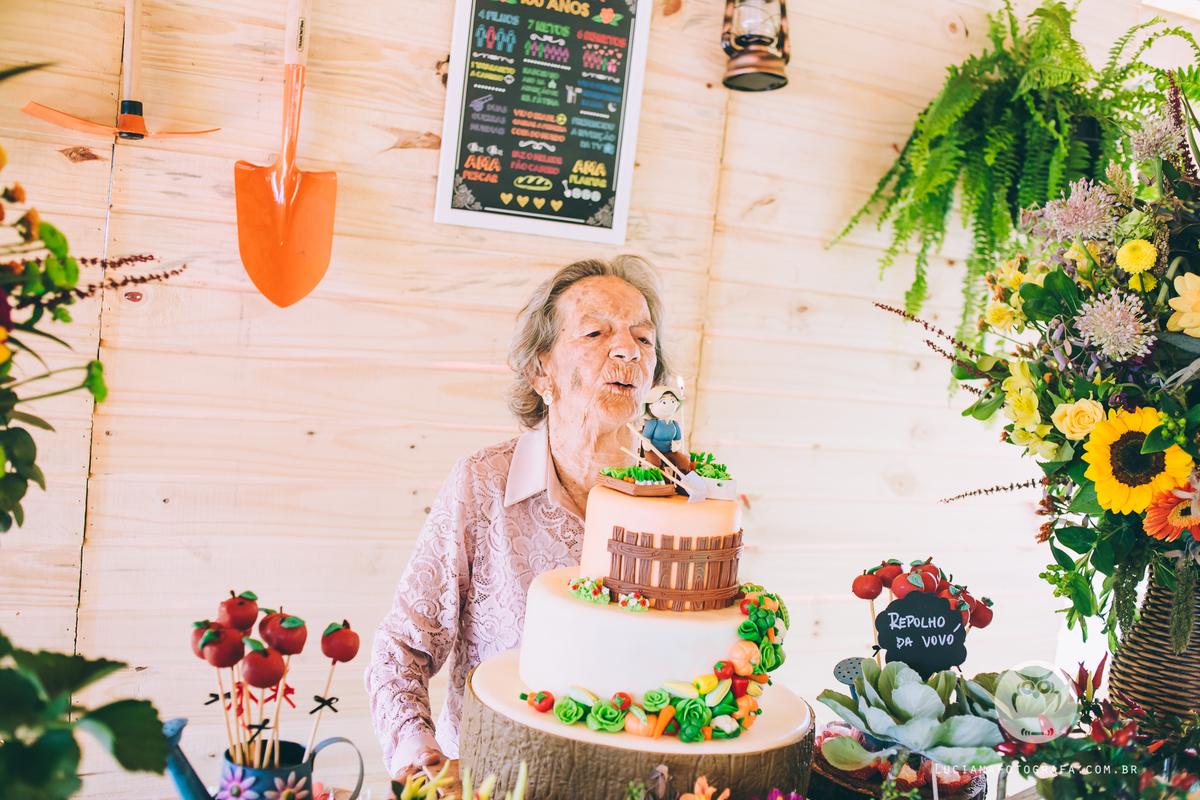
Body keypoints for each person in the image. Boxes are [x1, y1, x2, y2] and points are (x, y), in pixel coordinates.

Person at [365, 255, 677, 779]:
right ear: (541, 371)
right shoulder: (484, 483)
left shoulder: (681, 502)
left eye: (644, 340)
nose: (627, 349)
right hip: (496, 776)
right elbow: (402, 649)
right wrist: (416, 749)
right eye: (596, 332)